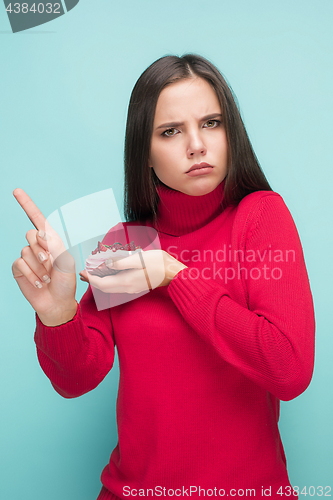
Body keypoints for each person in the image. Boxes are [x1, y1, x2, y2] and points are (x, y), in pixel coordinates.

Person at [12, 54, 315, 499]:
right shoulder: (125, 240)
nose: (196, 144)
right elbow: (75, 380)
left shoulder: (260, 215)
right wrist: (58, 315)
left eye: (211, 123)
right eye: (170, 131)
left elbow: (289, 369)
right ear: (145, 151)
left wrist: (173, 275)